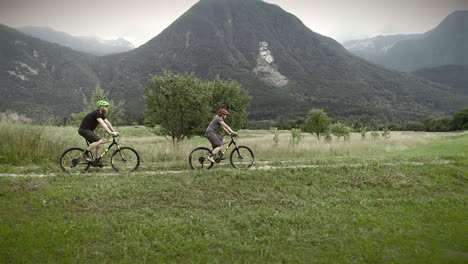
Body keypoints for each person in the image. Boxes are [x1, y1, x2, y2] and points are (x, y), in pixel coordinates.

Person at [78, 100, 119, 165]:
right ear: (101, 107)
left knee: (100, 144)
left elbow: (107, 123)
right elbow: (103, 124)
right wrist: (110, 133)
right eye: (106, 106)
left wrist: (114, 131)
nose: (107, 108)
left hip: (88, 131)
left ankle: (96, 161)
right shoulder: (96, 113)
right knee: (100, 140)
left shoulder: (101, 114)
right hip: (84, 130)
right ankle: (83, 154)